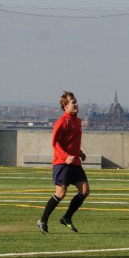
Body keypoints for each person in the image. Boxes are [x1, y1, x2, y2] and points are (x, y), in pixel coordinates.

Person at [38, 91, 90, 233]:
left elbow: (71, 141)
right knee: (60, 193)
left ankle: (67, 217)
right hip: (62, 162)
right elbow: (55, 142)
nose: (76, 104)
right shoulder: (62, 121)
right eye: (73, 102)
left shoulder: (77, 121)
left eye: (76, 101)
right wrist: (65, 155)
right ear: (65, 106)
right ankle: (43, 220)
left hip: (75, 163)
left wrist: (79, 152)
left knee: (85, 190)